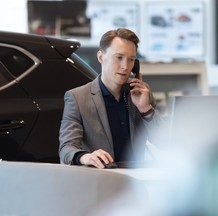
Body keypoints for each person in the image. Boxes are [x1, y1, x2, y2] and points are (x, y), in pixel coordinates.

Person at [59, 28, 166, 169]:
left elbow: (165, 142)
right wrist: (87, 157)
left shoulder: (141, 92)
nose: (125, 66)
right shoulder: (77, 97)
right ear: (101, 57)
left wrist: (146, 110)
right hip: (101, 179)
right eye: (119, 57)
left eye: (131, 60)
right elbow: (66, 149)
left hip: (136, 181)